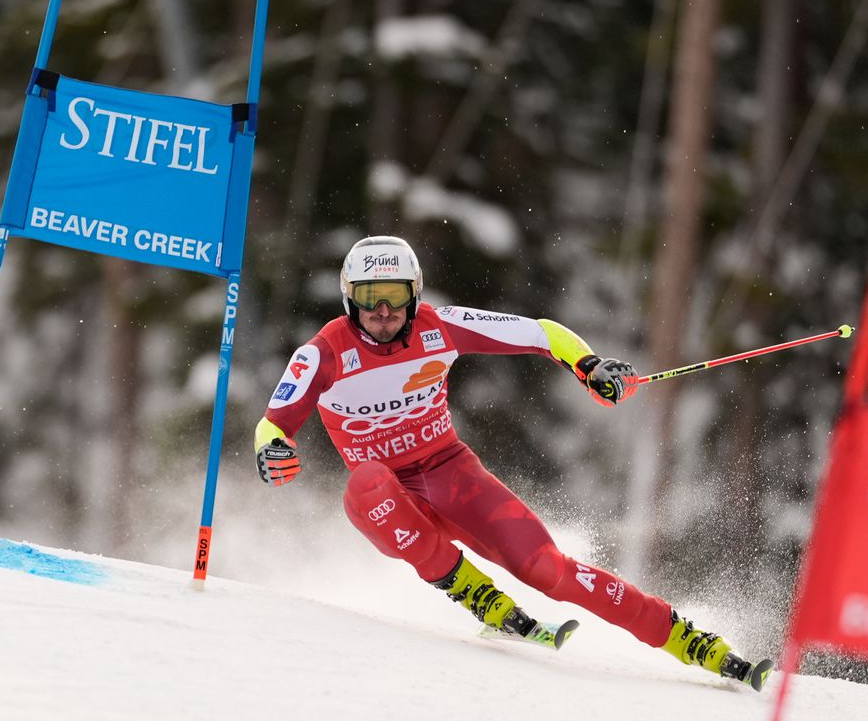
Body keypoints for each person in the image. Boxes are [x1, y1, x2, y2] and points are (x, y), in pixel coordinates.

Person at [254, 235, 772, 691]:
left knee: (547, 570)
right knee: (367, 481)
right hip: (389, 502)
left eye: (395, 297)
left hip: (450, 474)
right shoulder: (321, 353)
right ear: (350, 299)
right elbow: (273, 423)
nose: (383, 311)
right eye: (370, 298)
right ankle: (472, 591)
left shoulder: (441, 327)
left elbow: (541, 333)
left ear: (415, 296)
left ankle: (684, 636)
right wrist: (272, 450)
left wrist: (588, 366)